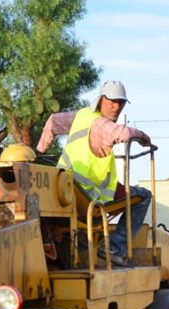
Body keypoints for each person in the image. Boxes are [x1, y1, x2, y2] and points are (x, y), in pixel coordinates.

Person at [36, 80, 152, 266]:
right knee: (144, 196)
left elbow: (53, 121)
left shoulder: (81, 116)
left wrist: (39, 151)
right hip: (91, 194)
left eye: (120, 103)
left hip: (64, 188)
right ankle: (114, 247)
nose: (116, 107)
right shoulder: (101, 124)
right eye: (111, 101)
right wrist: (143, 137)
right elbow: (121, 134)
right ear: (100, 100)